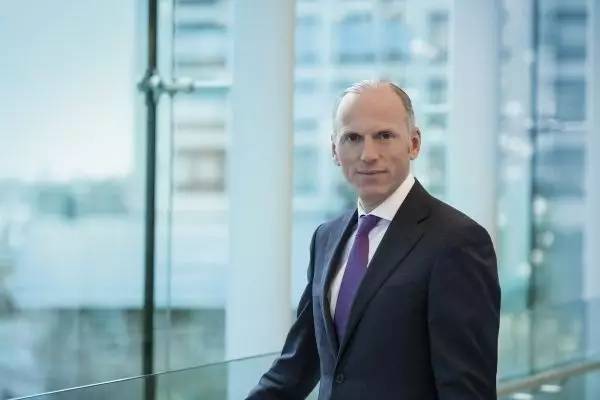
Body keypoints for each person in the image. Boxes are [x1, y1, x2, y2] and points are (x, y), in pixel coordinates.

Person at [246, 80, 501, 400]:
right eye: (352, 138)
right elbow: (297, 365)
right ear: (334, 150)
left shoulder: (457, 241)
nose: (368, 155)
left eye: (384, 136)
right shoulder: (326, 238)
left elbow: (467, 392)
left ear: (414, 144)